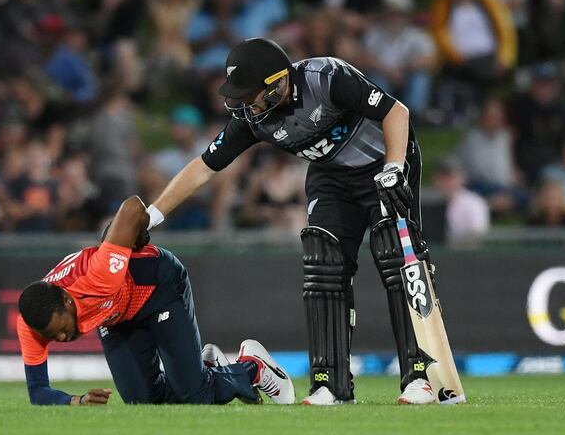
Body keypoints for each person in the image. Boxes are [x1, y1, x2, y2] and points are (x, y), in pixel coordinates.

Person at [143, 37, 438, 405]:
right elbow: (205, 166)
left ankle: (419, 376)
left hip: (385, 164)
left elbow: (397, 113)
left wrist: (394, 168)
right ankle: (330, 383)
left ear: (279, 82)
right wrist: (152, 214)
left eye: (251, 94)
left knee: (397, 261)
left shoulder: (326, 77)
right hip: (331, 177)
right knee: (323, 265)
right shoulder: (253, 121)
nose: (245, 104)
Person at [16, 194, 294, 406]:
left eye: (62, 328)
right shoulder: (32, 323)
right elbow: (37, 390)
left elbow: (132, 206)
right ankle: (208, 370)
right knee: (142, 402)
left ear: (66, 300)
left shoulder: (98, 275)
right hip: (118, 316)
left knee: (194, 396)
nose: (64, 337)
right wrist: (76, 401)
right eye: (54, 336)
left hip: (157, 287)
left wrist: (138, 231)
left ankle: (251, 368)